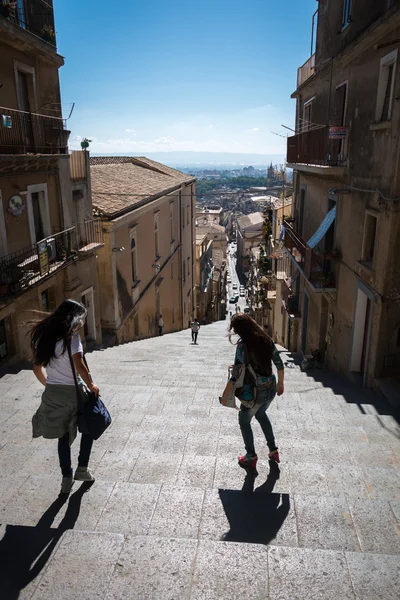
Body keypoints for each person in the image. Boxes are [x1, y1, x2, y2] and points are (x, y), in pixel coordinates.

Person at [31, 299, 100, 495]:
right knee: (88, 425)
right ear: (74, 319)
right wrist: (91, 385)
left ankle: (66, 479)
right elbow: (80, 366)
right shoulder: (72, 339)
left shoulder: (42, 338)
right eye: (82, 319)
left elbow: (37, 369)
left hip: (53, 393)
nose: (83, 323)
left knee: (63, 436)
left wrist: (49, 385)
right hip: (73, 393)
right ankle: (82, 469)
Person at [221, 313, 284, 470]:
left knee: (244, 420)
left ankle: (251, 456)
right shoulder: (266, 339)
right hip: (270, 389)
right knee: (261, 414)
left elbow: (235, 376)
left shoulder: (243, 347)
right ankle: (273, 450)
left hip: (255, 392)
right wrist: (280, 384)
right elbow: (279, 363)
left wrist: (225, 395)